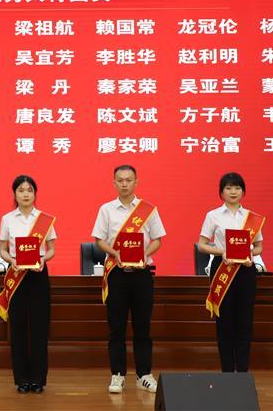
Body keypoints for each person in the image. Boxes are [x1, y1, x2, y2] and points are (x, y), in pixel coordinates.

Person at [91, 164, 164, 394]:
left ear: (136, 182)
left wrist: (144, 255)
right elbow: (99, 240)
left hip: (142, 273)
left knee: (143, 327)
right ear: (114, 183)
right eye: (120, 180)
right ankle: (118, 375)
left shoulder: (148, 210)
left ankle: (144, 375)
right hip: (116, 273)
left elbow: (157, 239)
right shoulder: (106, 210)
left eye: (128, 180)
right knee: (117, 327)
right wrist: (115, 253)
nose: (124, 184)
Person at [197, 172, 264, 373]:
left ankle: (242, 371)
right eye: (228, 188)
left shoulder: (252, 217)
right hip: (222, 268)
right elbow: (202, 245)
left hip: (245, 270)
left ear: (243, 191)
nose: (233, 191)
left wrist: (249, 253)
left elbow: (259, 247)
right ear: (221, 192)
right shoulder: (213, 215)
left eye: (237, 188)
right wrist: (222, 252)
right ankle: (227, 371)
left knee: (244, 321)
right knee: (224, 322)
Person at [0, 175, 56, 394]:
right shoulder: (7, 219)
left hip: (38, 275)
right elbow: (2, 249)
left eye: (29, 190)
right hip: (16, 274)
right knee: (18, 328)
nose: (25, 194)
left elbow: (51, 249)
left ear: (35, 193)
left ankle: (38, 379)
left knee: (39, 328)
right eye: (21, 190)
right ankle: (22, 379)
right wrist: (11, 260)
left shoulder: (45, 219)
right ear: (15, 194)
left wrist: (44, 259)